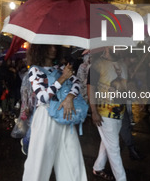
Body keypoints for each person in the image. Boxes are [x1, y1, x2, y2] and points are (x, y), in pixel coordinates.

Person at [22, 44, 87, 181]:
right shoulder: (35, 70)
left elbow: (77, 84)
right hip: (45, 117)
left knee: (72, 160)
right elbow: (43, 97)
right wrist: (62, 78)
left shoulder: (61, 68)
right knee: (39, 163)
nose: (53, 49)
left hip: (65, 116)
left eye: (55, 46)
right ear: (40, 48)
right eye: (49, 46)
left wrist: (70, 97)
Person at [88, 47, 128, 181]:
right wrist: (93, 111)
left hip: (120, 112)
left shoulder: (123, 63)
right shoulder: (97, 65)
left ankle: (98, 167)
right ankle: (121, 178)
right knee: (114, 148)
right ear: (107, 46)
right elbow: (91, 88)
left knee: (108, 143)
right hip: (104, 113)